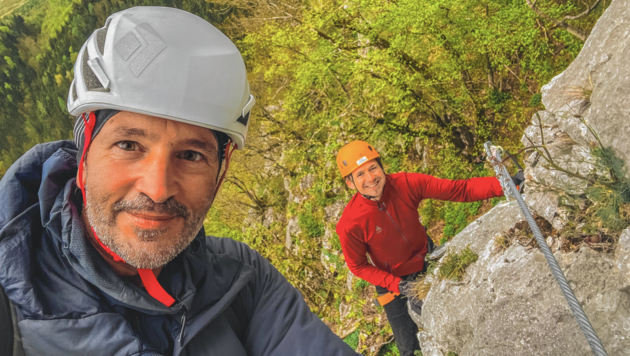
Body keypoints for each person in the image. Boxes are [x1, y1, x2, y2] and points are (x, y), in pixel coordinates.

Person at [0, 7, 358, 356]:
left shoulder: (241, 280)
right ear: (84, 156)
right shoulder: (9, 308)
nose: (157, 189)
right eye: (128, 145)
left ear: (220, 173)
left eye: (191, 155)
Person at [334, 140, 522, 356]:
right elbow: (358, 266)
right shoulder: (350, 224)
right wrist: (398, 285)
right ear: (350, 183)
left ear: (381, 167)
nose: (370, 178)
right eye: (360, 175)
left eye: (373, 168)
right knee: (408, 347)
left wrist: (507, 184)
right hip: (393, 281)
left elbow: (457, 190)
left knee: (457, 314)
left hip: (426, 257)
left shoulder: (405, 184)